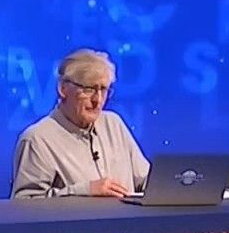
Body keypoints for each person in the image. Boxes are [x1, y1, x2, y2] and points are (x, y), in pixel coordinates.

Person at [11, 49, 150, 199]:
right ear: (63, 89)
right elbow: (26, 203)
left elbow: (146, 181)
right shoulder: (37, 140)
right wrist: (84, 191)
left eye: (103, 89)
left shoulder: (114, 124)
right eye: (88, 89)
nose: (97, 100)